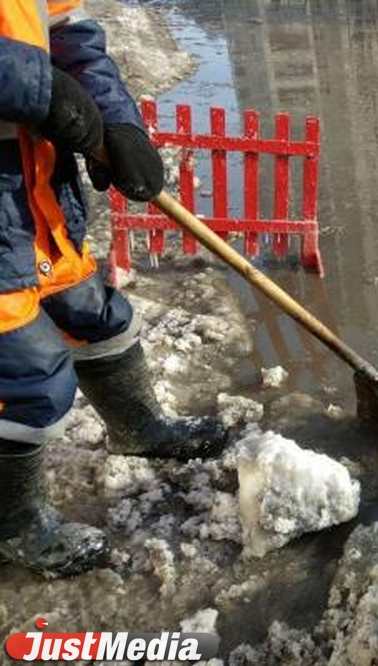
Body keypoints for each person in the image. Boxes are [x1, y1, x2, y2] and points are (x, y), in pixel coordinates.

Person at [0, 1, 229, 578]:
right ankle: (14, 524)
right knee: (25, 371)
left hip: (34, 185)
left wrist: (115, 121)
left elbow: (68, 34)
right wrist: (36, 87)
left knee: (93, 311)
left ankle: (137, 427)